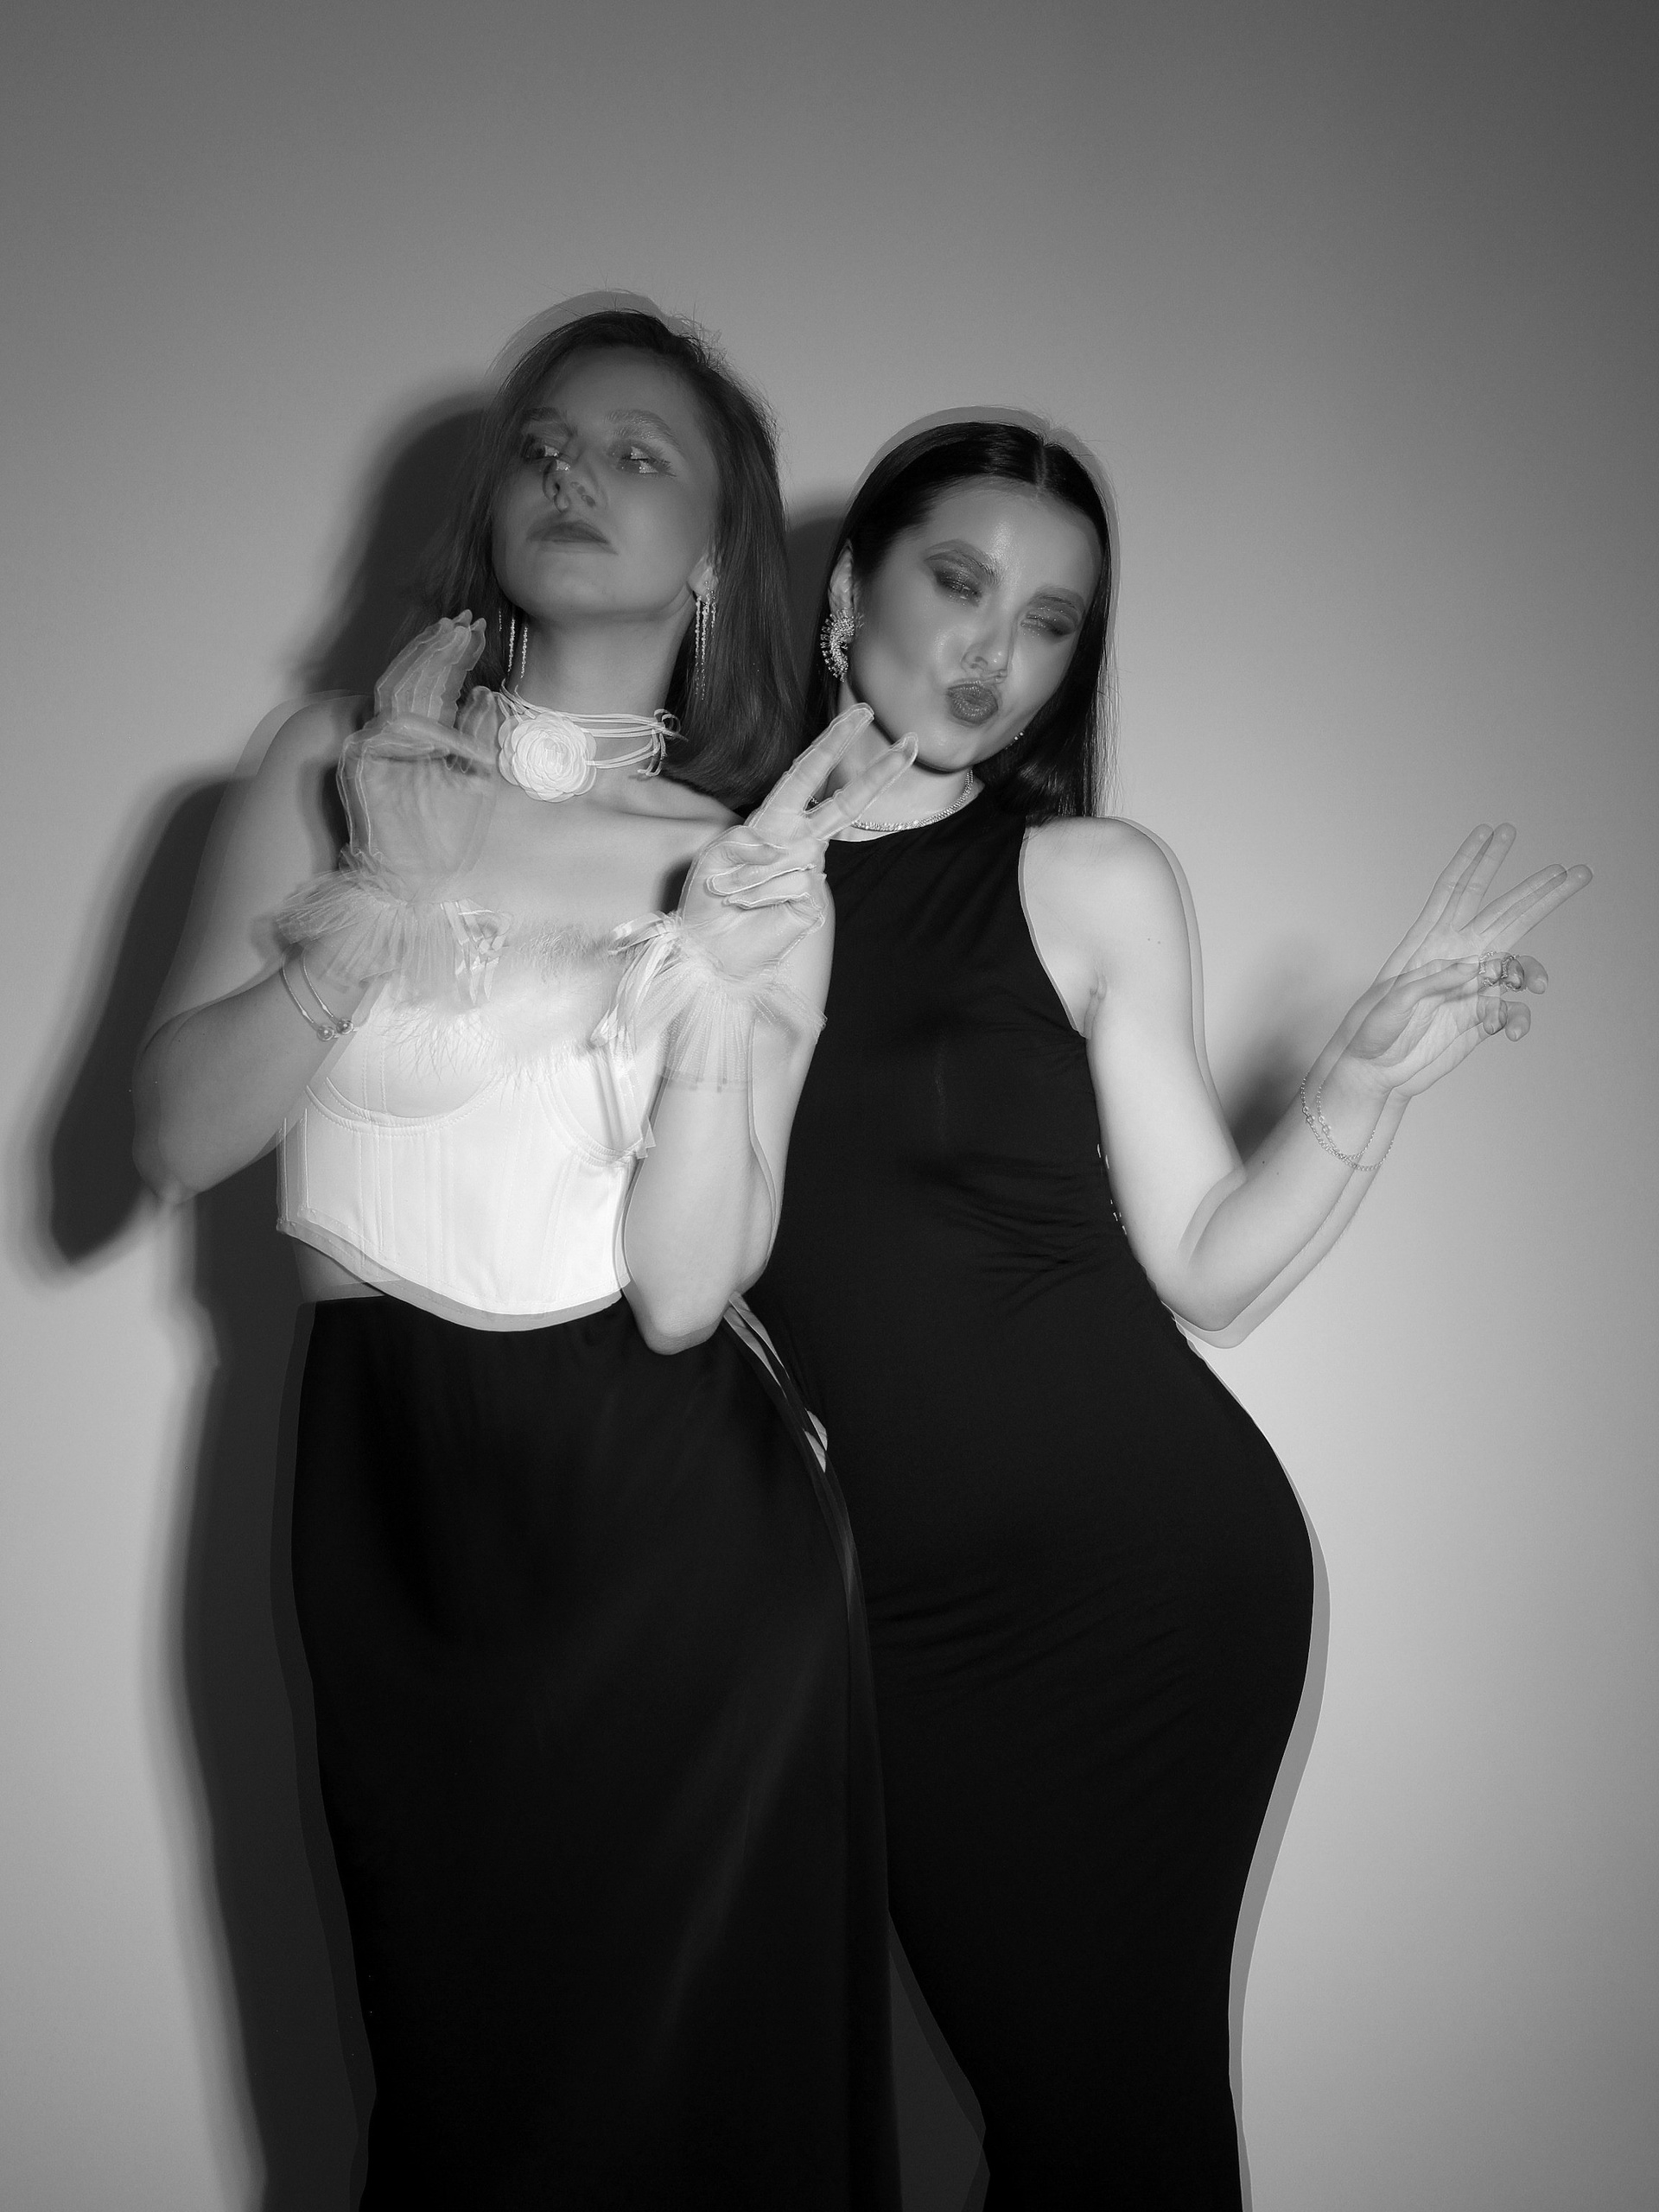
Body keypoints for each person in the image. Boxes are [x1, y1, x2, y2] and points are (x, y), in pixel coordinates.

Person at [745, 417, 1592, 2209]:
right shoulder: (702, 886)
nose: (996, 650)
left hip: (1145, 1585)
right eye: (959, 583)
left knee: (1110, 2124)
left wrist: (1359, 1087)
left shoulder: (1084, 878)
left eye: (1052, 621)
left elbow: (1207, 1259)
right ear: (846, 594)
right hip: (888, 1617)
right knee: (1079, 2126)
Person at [133, 308, 915, 2209]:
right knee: (464, 2098)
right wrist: (372, 906)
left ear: (717, 550)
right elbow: (170, 1140)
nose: (576, 475)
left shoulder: (754, 862)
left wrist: (721, 997)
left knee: (696, 2114)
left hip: (678, 1530)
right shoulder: (325, 770)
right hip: (392, 1491)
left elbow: (684, 1292)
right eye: (546, 444)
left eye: (641, 455)